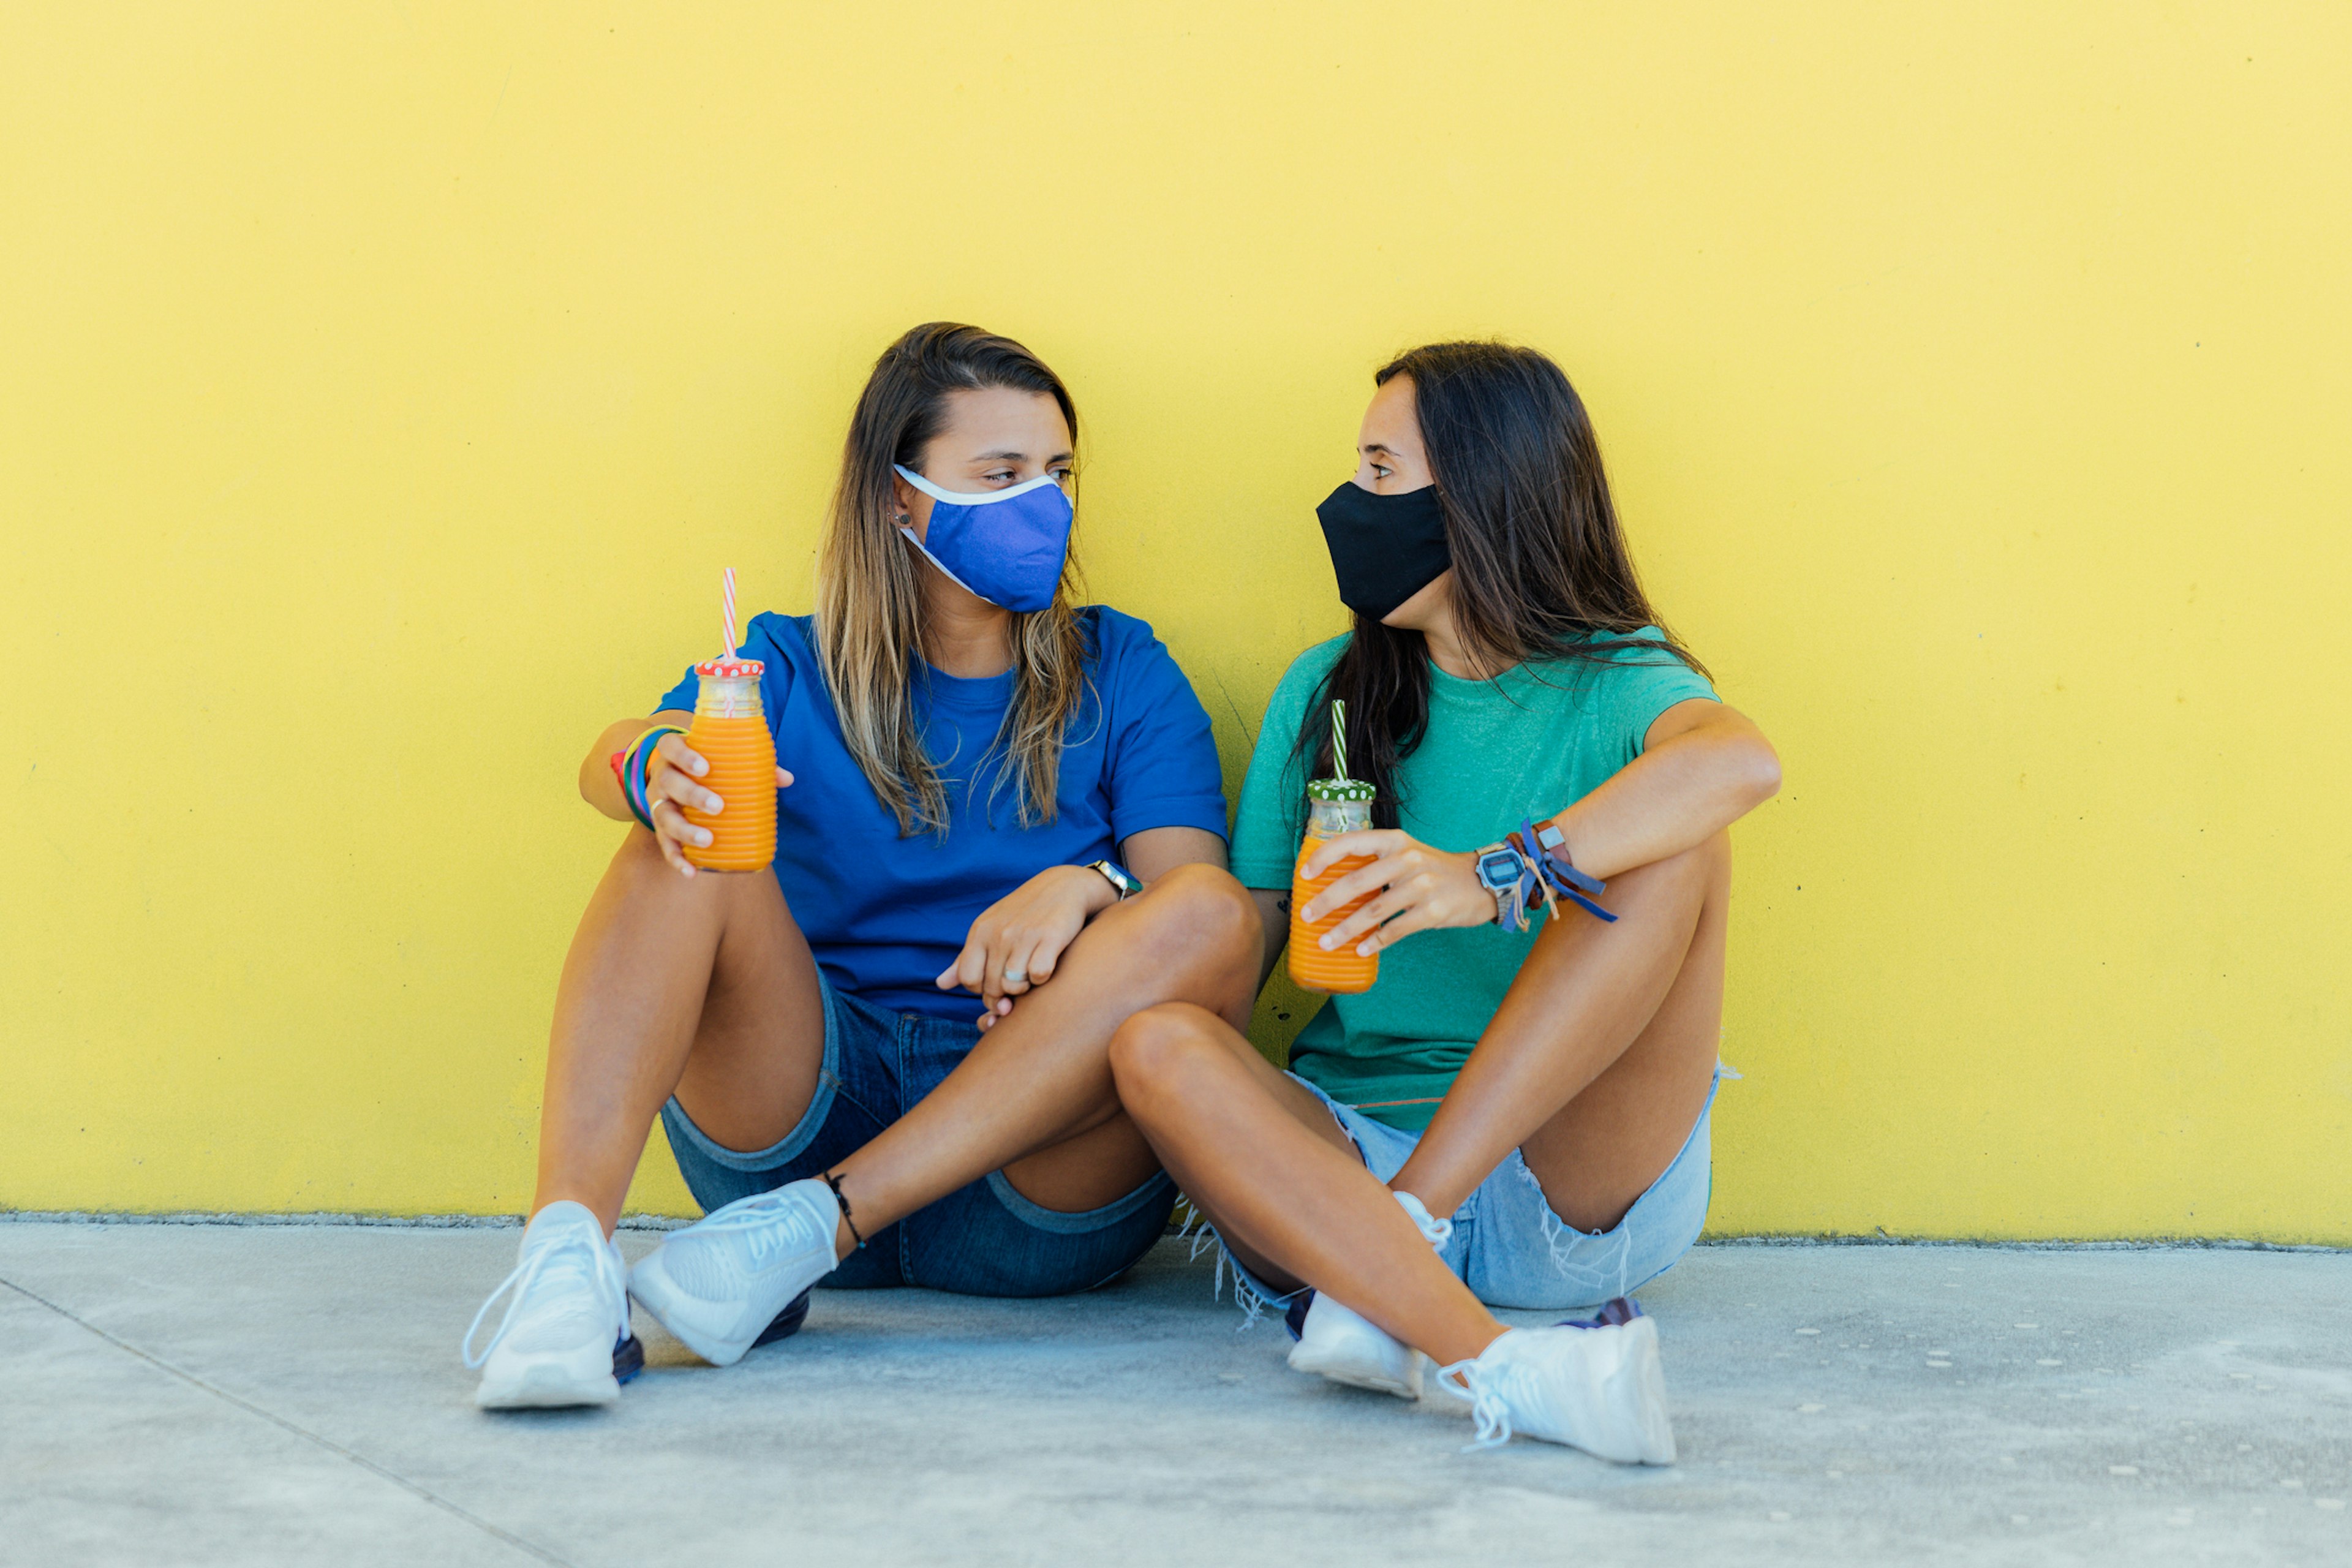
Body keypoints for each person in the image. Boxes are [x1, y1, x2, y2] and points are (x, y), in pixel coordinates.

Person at [463, 322, 1261, 1409]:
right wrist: (651, 762)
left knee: (1209, 913)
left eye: (1058, 473)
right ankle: (563, 1272)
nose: (1046, 504)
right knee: (681, 843)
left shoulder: (1120, 666)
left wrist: (1094, 885)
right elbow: (611, 760)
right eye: (1001, 475)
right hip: (807, 1100)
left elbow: (1200, 915)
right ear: (898, 498)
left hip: (1032, 1166)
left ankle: (823, 1223)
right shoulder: (787, 664)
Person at [1104, 341, 1782, 1460]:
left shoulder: (1620, 679)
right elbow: (1241, 943)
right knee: (1157, 1045)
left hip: (1573, 1181)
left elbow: (1740, 768)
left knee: (1677, 845)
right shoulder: (1326, 693)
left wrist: (1492, 876)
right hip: (1341, 1160)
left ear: (1484, 493)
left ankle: (1397, 1245)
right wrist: (1103, 927)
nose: (1349, 504)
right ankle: (1445, 1313)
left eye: (1381, 472)